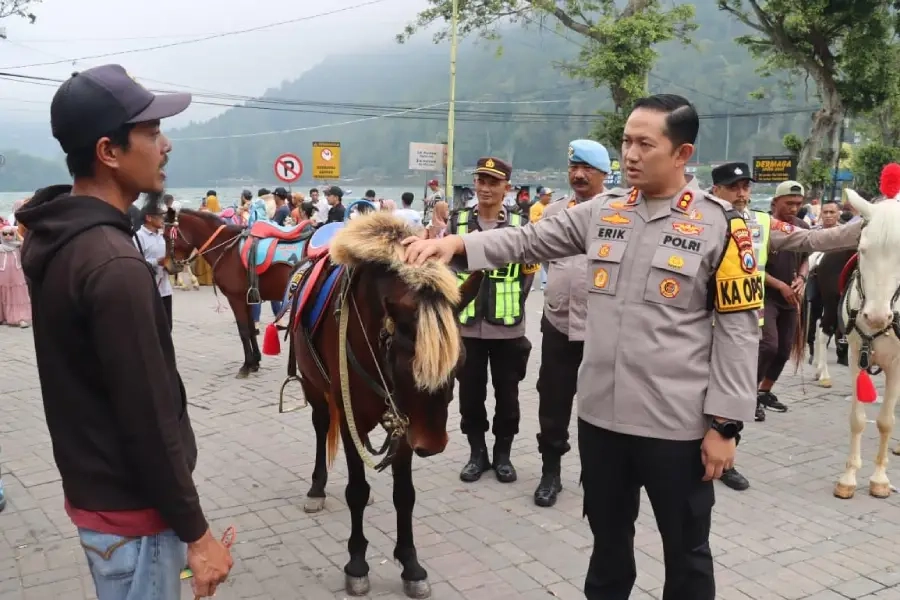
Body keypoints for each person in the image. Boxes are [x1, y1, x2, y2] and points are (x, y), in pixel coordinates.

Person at [402, 94, 863, 599]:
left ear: (683, 154)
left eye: (645, 143)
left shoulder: (723, 227)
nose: (630, 154)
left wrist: (726, 423)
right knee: (607, 552)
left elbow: (736, 332)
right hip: (601, 422)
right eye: (626, 141)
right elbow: (527, 241)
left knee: (686, 557)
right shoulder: (604, 210)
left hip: (678, 429)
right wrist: (457, 246)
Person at [15, 64, 232, 600]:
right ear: (109, 152)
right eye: (153, 132)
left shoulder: (64, 239)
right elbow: (148, 416)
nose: (166, 145)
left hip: (99, 497)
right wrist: (197, 534)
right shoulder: (113, 264)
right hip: (136, 515)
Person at [449, 157, 536, 485]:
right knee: (470, 396)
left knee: (508, 397)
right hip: (466, 327)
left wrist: (510, 304)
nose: (485, 188)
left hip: (507, 328)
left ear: (506, 188)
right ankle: (476, 453)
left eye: (493, 182)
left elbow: (528, 277)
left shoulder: (520, 224)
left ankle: (503, 455)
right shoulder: (457, 223)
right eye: (481, 181)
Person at [533, 139, 609, 508]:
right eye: (573, 169)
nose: (578, 175)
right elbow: (547, 261)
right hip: (558, 321)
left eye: (587, 170)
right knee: (553, 399)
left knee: (604, 403)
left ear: (604, 174)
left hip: (604, 327)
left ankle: (601, 474)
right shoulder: (554, 213)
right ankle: (551, 472)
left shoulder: (618, 211)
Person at [757, 180, 810, 416]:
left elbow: (806, 258)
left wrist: (802, 277)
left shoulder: (801, 226)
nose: (794, 208)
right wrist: (779, 285)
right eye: (789, 203)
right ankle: (747, 396)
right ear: (774, 202)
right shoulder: (761, 226)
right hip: (765, 295)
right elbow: (751, 266)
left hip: (791, 297)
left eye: (798, 204)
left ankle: (764, 392)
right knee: (768, 345)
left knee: (785, 349)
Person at [134, 194, 175, 330]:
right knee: (152, 328)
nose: (163, 219)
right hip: (149, 290)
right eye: (159, 216)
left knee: (167, 327)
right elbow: (136, 263)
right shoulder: (138, 238)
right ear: (149, 218)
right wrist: (157, 261)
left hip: (165, 289)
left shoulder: (162, 236)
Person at [529, 188, 553, 292]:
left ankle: (545, 282)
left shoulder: (551, 206)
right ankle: (530, 284)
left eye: (550, 195)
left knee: (548, 261)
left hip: (549, 236)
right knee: (533, 261)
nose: (549, 197)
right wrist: (545, 216)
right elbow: (533, 220)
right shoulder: (535, 207)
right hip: (537, 236)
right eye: (547, 195)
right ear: (541, 196)